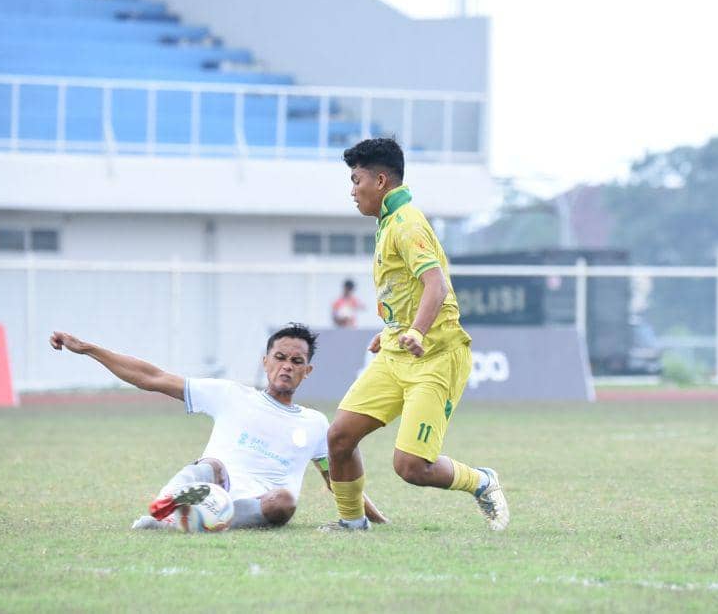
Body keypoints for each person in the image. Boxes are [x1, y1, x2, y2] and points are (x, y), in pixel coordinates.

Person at [322, 138, 509, 532]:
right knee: (339, 437)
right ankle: (351, 522)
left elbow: (435, 286)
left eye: (356, 180)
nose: (352, 190)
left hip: (435, 357)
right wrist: (392, 329)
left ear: (381, 180)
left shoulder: (406, 223)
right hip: (396, 351)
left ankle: (482, 481)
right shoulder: (389, 221)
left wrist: (418, 332)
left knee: (411, 467)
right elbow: (404, 287)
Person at [49, 322, 387, 530]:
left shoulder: (315, 423)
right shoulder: (229, 394)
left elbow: (338, 482)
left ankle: (188, 521)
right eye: (280, 358)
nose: (287, 366)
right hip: (216, 484)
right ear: (265, 362)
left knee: (285, 501)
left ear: (307, 371)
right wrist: (89, 349)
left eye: (297, 361)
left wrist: (376, 518)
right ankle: (162, 513)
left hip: (260, 504)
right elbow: (152, 377)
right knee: (211, 465)